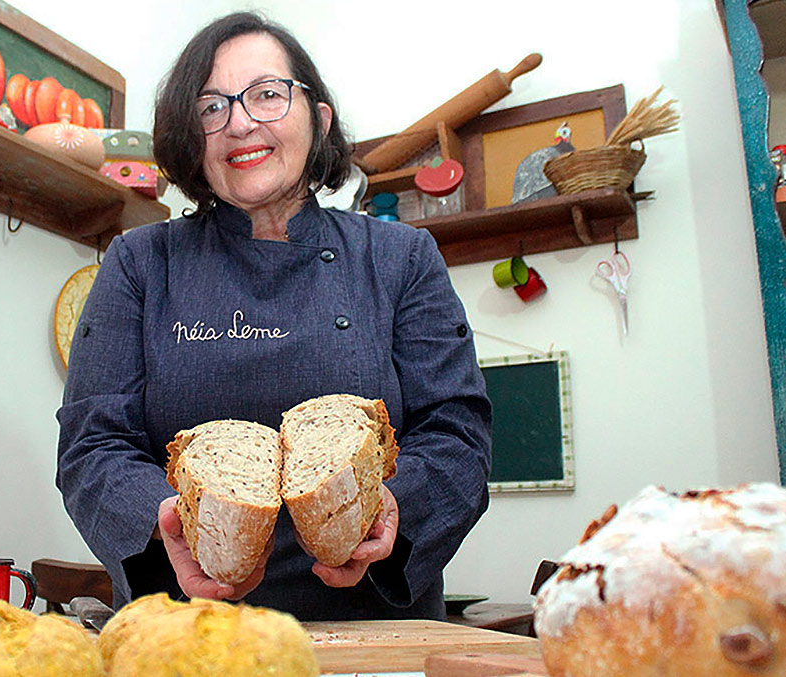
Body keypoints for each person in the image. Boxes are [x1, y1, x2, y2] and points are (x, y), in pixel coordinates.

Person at [56, 11, 491, 621]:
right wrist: (165, 521)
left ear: (318, 119)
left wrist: (392, 507)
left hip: (370, 630)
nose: (239, 122)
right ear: (192, 138)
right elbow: (92, 443)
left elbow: (458, 434)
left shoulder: (400, 259)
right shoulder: (139, 262)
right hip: (189, 633)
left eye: (266, 95)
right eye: (211, 108)